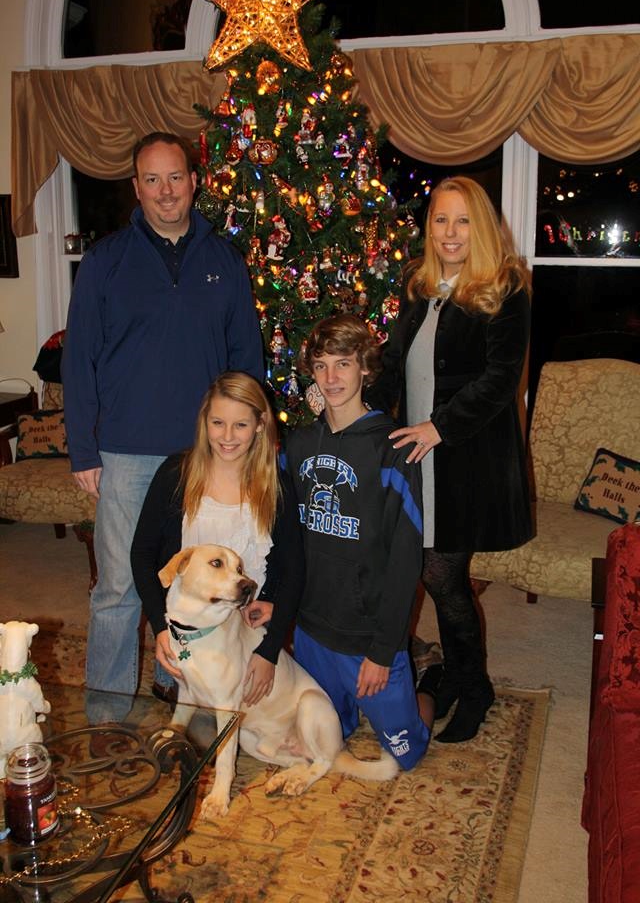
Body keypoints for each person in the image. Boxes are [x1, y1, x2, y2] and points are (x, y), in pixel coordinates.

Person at [61, 132, 264, 720]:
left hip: (206, 455)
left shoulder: (224, 261)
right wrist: (83, 451)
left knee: (192, 585)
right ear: (136, 187)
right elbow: (79, 361)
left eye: (175, 177)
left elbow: (245, 360)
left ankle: (179, 692)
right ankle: (105, 715)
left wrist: (246, 443)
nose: (165, 191)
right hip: (125, 451)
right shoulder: (105, 262)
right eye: (152, 180)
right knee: (118, 588)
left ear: (193, 182)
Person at [366, 175, 533, 744]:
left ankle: (474, 685)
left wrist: (440, 426)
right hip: (421, 456)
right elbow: (394, 363)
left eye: (463, 220)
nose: (451, 232)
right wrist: (353, 407)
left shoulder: (506, 287)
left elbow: (501, 379)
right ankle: (462, 676)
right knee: (436, 573)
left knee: (441, 574)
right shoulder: (420, 284)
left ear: (480, 227)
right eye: (441, 219)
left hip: (467, 456)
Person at [271, 314, 433, 771]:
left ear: (365, 368)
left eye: (343, 364)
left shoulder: (393, 449)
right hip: (312, 632)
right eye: (321, 366)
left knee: (404, 756)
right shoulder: (297, 444)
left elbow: (405, 560)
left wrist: (383, 651)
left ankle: (430, 684)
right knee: (319, 743)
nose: (331, 378)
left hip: (368, 637)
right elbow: (282, 537)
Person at [131, 372, 303, 704]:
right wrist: (161, 628)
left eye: (241, 425)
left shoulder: (276, 486)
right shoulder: (175, 474)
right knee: (193, 722)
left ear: (260, 425)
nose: (227, 436)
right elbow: (142, 554)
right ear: (204, 422)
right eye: (218, 423)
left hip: (246, 628)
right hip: (187, 625)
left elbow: (294, 568)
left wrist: (269, 650)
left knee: (256, 713)